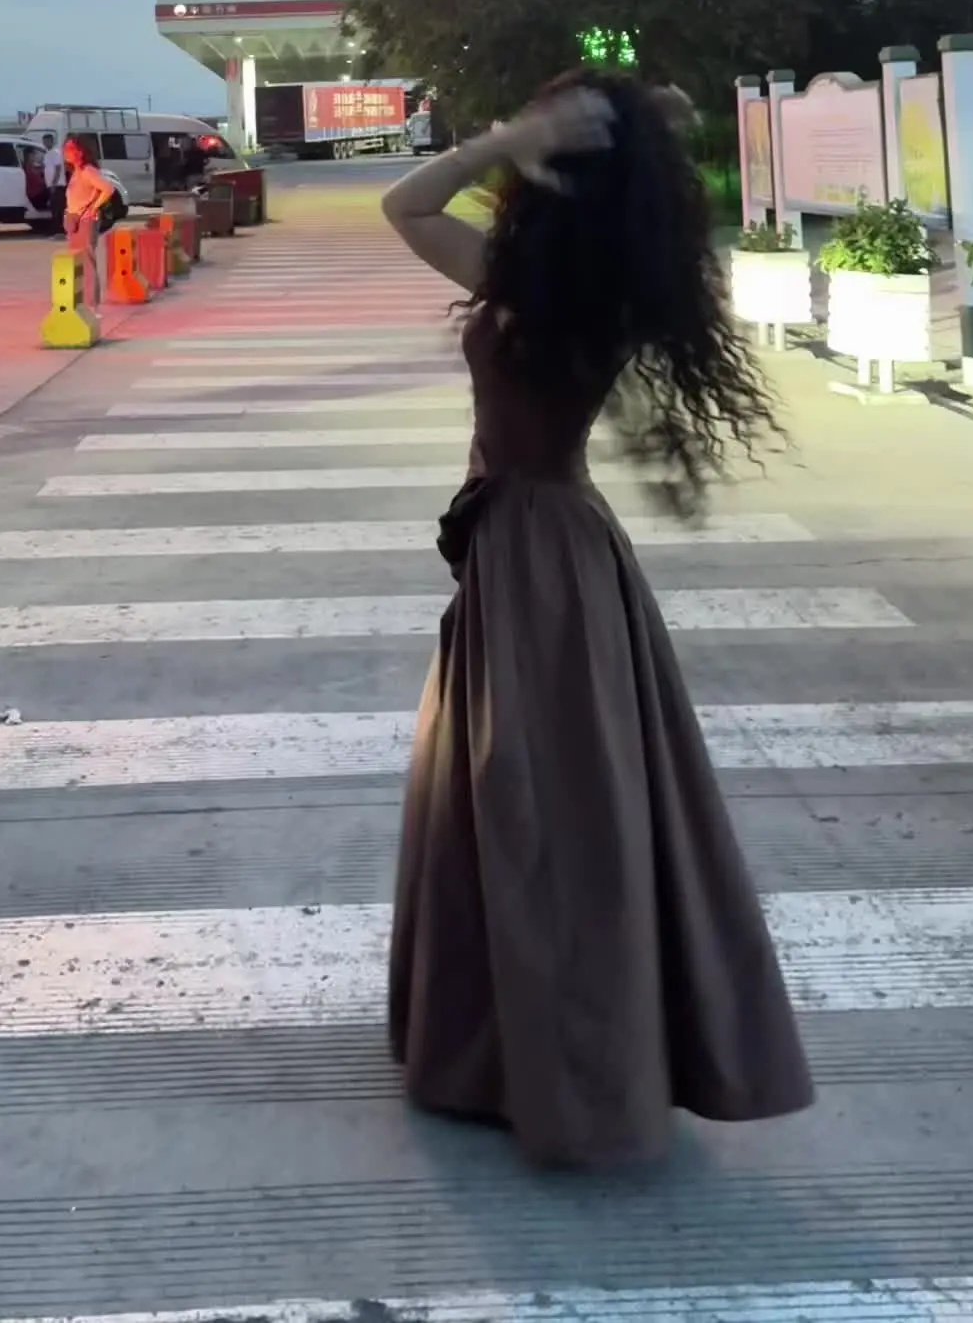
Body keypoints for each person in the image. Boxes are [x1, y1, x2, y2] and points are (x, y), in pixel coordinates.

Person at [381, 70, 814, 1169]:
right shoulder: (587, 277)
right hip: (546, 549)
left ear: (554, 172)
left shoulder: (545, 286)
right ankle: (528, 1049)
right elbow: (415, 209)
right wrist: (620, 139)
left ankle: (558, 1067)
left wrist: (502, 140)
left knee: (536, 815)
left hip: (537, 559)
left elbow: (405, 202)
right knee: (546, 804)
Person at [63, 137, 116, 308]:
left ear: (80, 152)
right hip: (74, 219)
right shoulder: (76, 172)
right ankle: (80, 300)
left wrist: (94, 207)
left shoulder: (88, 171)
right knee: (76, 261)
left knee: (86, 261)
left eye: (70, 149)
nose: (66, 152)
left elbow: (108, 189)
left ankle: (91, 303)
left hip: (85, 220)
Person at [41, 133, 66, 233]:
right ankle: (57, 230)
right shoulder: (47, 154)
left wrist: (54, 184)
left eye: (47, 141)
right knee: (54, 208)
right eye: (44, 141)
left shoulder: (55, 153)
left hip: (57, 185)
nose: (45, 143)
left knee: (58, 209)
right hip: (51, 185)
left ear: (52, 141)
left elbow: (58, 169)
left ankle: (61, 231)